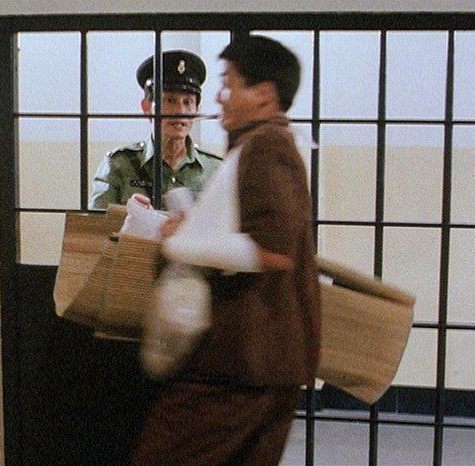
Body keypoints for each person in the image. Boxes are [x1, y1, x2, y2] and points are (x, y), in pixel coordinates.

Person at [131, 35, 321, 465]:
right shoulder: (258, 144)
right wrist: (194, 228)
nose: (220, 96)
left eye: (229, 83)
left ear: (264, 94)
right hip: (259, 359)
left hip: (245, 360)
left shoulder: (267, 146)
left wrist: (184, 244)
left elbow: (273, 250)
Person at [89, 50, 222, 210]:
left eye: (188, 102)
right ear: (146, 107)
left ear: (196, 110)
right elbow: (94, 225)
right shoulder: (119, 165)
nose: (180, 111)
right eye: (170, 100)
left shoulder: (215, 170)